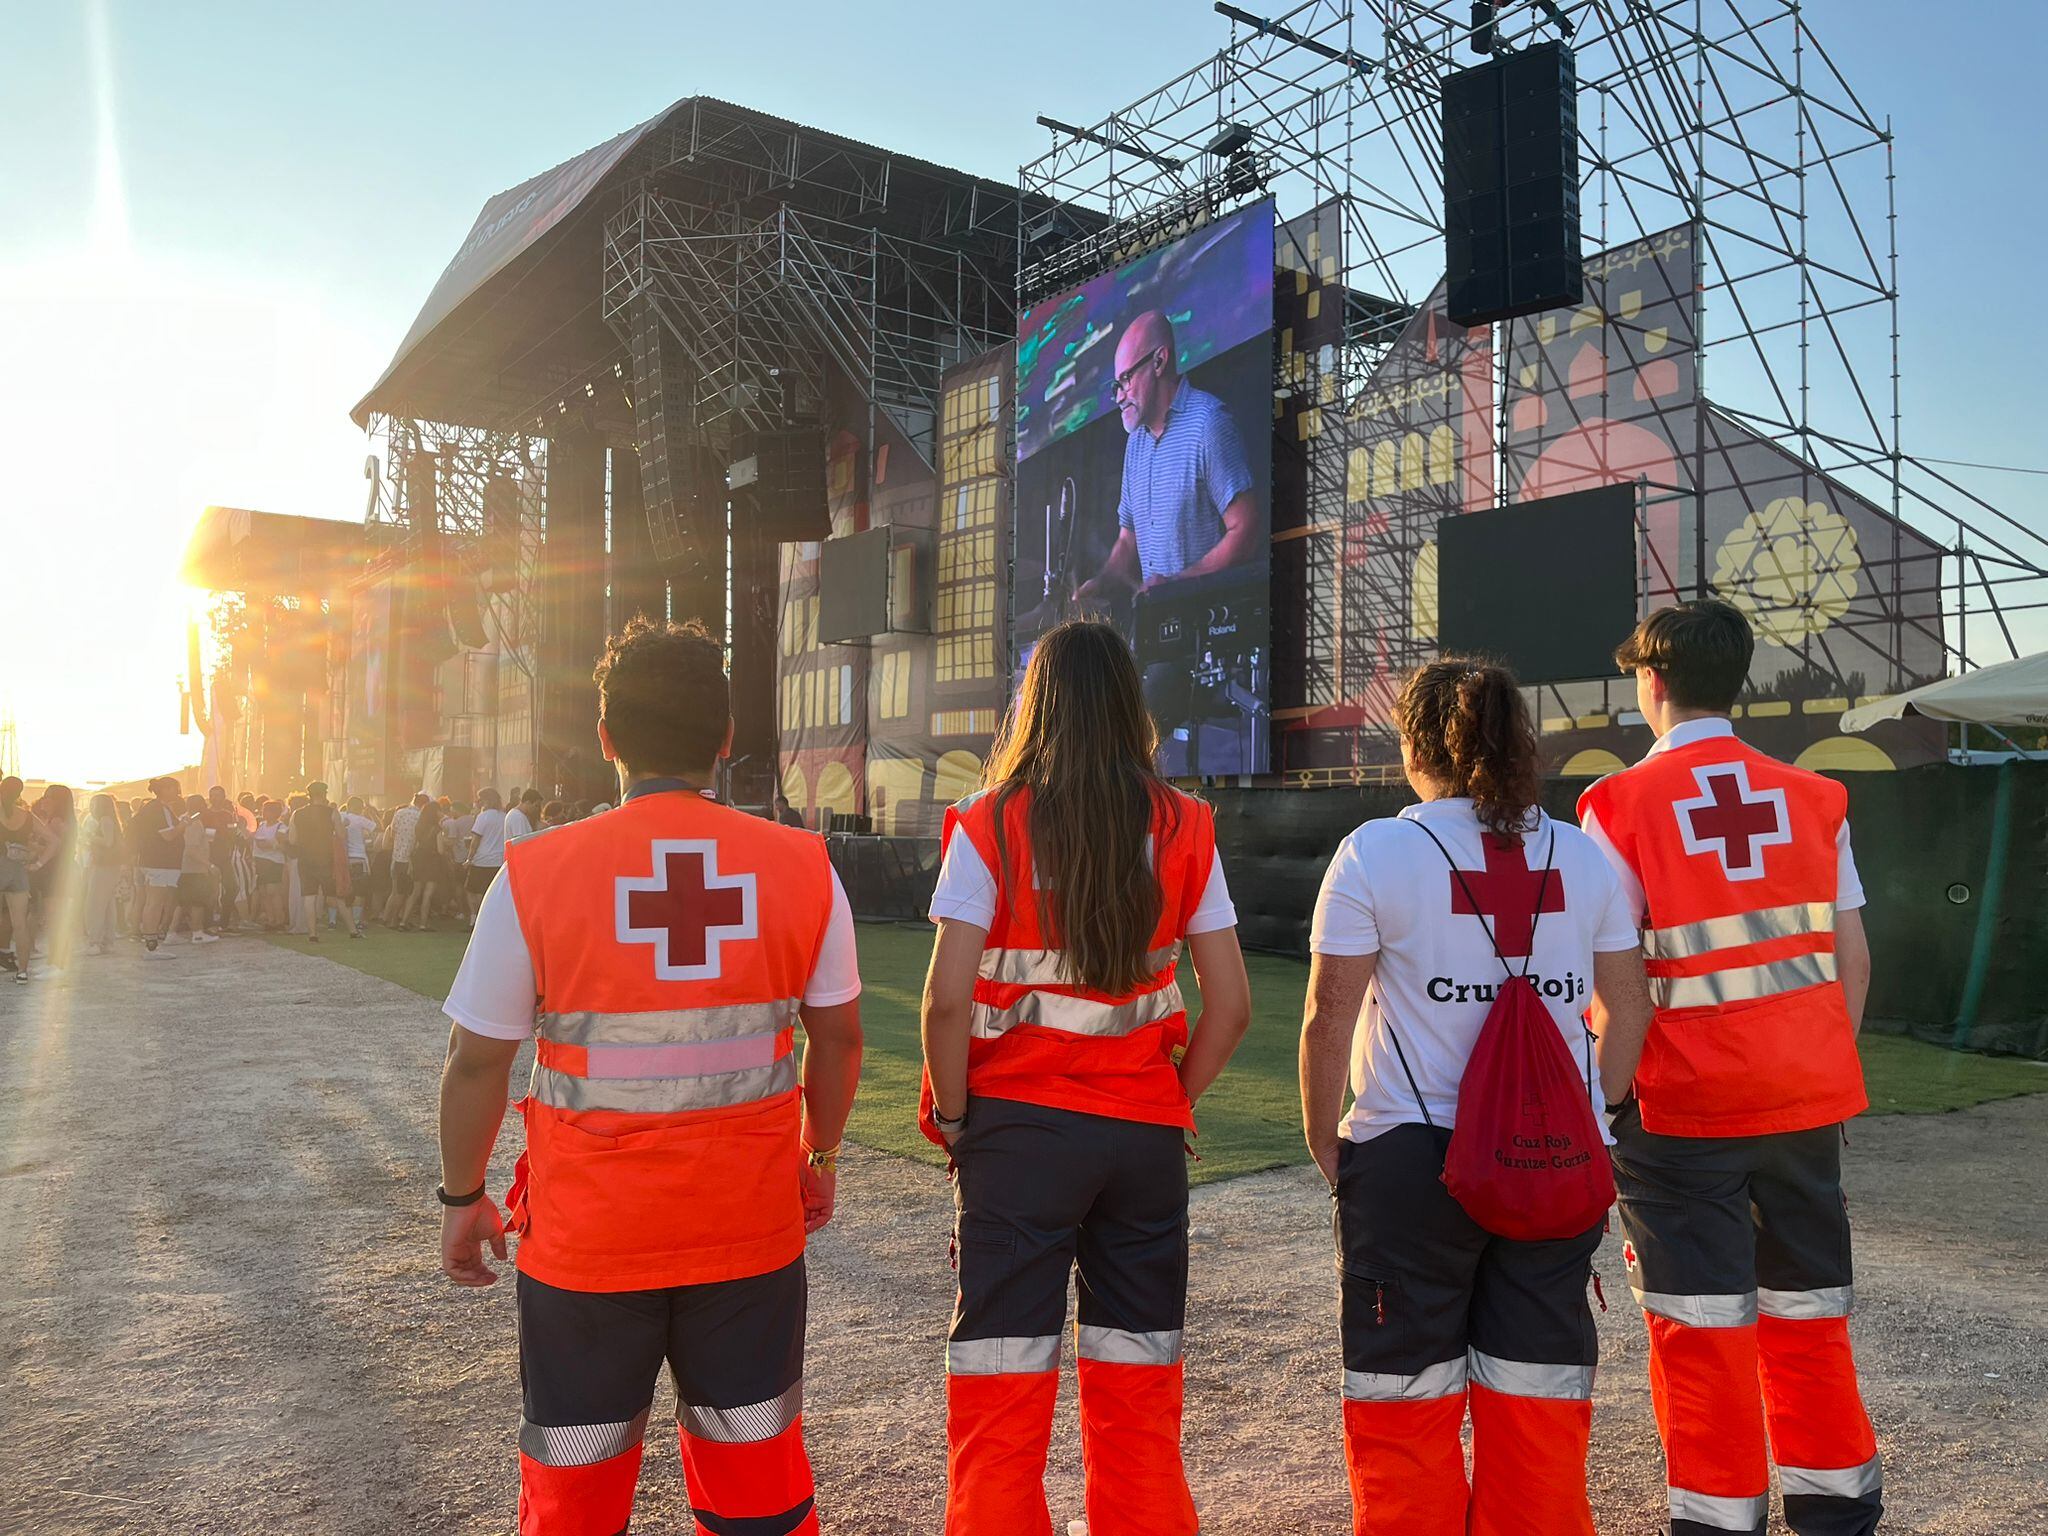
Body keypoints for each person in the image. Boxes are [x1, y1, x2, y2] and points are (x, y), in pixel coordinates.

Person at [436, 616, 864, 1536]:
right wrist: (818, 1158)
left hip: (589, 1245)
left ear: (606, 741)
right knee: (756, 1487)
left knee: (575, 1497)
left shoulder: (535, 873)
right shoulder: (803, 866)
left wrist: (463, 1194)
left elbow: (478, 1059)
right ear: (725, 740)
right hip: (748, 1231)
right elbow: (838, 1042)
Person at [1298, 659, 1653, 1536]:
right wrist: (1597, 1115)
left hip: (1410, 1157)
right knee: (1538, 1385)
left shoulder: (1375, 850)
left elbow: (1326, 1017)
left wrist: (1326, 1141)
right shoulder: (1582, 854)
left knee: (1403, 1393)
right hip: (1554, 1158)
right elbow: (1629, 1007)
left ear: (1416, 747)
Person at [919, 619, 1252, 1536]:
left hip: (1020, 1137)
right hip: (1143, 1138)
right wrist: (1167, 1104)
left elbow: (946, 1004)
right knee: (1139, 1385)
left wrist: (955, 1119)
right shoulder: (1186, 823)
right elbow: (1229, 1005)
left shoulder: (991, 820)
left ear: (1037, 705)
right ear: (1130, 706)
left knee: (1001, 1387)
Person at [1577, 599, 1882, 1536]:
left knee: (1701, 1329)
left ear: (1651, 682)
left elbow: (1615, 981)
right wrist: (1815, 1064)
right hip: (1801, 1101)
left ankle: (1717, 1521)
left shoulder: (1615, 806)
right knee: (1808, 1313)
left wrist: (1608, 1099)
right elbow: (1850, 955)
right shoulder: (1813, 798)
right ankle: (1837, 1512)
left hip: (1680, 1113)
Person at [1074, 310, 1260, 604]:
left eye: (1126, 379)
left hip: (1207, 626)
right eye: (1116, 386)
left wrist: (1176, 585)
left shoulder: (1209, 423)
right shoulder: (1135, 443)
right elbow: (1127, 539)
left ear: (1159, 361)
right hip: (1156, 624)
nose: (1119, 396)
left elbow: (1246, 530)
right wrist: (1103, 581)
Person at [1, 776, 60, 982]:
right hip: (18, 871)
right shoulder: (26, 816)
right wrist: (38, 864)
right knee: (20, 925)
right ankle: (22, 972)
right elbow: (54, 841)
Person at [129, 777, 186, 951]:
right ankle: (151, 944)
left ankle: (150, 941)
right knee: (155, 902)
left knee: (152, 901)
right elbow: (168, 835)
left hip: (154, 861)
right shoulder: (158, 809)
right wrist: (184, 824)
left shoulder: (155, 808)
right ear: (166, 789)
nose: (178, 793)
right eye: (175, 789)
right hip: (160, 862)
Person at [31, 784, 80, 972]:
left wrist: (33, 848)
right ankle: (53, 962)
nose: (44, 800)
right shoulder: (59, 820)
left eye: (49, 797)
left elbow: (55, 849)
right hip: (59, 871)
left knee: (56, 920)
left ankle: (57, 964)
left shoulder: (57, 821)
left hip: (57, 872)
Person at [289, 783, 345, 943]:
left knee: (309, 896)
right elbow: (341, 835)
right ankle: (351, 927)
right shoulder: (332, 812)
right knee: (334, 894)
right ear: (324, 794)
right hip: (326, 858)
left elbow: (292, 840)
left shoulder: (297, 814)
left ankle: (312, 933)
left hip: (305, 858)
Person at [81, 793, 127, 957]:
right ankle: (107, 940)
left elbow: (108, 842)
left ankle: (95, 941)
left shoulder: (105, 820)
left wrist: (90, 837)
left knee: (95, 903)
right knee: (107, 904)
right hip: (108, 866)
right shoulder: (111, 820)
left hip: (103, 866)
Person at [177, 795, 221, 946]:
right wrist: (209, 865)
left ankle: (171, 931)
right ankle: (198, 933)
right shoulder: (194, 823)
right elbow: (191, 850)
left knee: (183, 903)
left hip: (186, 867)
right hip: (195, 868)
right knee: (198, 902)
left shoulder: (183, 819)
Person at [401, 801, 447, 932]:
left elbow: (415, 843)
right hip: (432, 861)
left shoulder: (419, 826)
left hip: (419, 859)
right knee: (428, 894)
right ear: (434, 812)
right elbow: (440, 850)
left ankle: (403, 921)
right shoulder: (437, 829)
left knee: (415, 892)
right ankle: (423, 924)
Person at [381, 793, 425, 928]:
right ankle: (395, 920)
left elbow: (392, 832)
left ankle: (385, 918)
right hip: (409, 859)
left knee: (394, 892)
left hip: (396, 856)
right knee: (404, 893)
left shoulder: (399, 812)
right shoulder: (420, 817)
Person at [464, 788, 507, 924]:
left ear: (486, 800)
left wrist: (469, 858)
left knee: (472, 891)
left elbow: (475, 839)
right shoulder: (504, 816)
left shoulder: (483, 816)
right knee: (492, 892)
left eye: (480, 799)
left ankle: (475, 917)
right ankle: (490, 918)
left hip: (481, 860)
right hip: (498, 860)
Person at [341, 796, 378, 937]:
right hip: (359, 857)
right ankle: (356, 921)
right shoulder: (360, 819)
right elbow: (378, 827)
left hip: (344, 858)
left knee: (345, 891)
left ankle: (335, 920)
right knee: (359, 892)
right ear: (359, 807)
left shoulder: (341, 816)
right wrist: (372, 813)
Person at [251, 800, 289, 930]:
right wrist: (271, 844)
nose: (265, 813)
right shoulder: (261, 825)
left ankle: (280, 919)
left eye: (268, 810)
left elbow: (280, 842)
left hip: (274, 862)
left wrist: (270, 844)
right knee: (263, 892)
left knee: (273, 891)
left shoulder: (281, 827)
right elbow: (259, 842)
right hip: (261, 861)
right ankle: (270, 919)